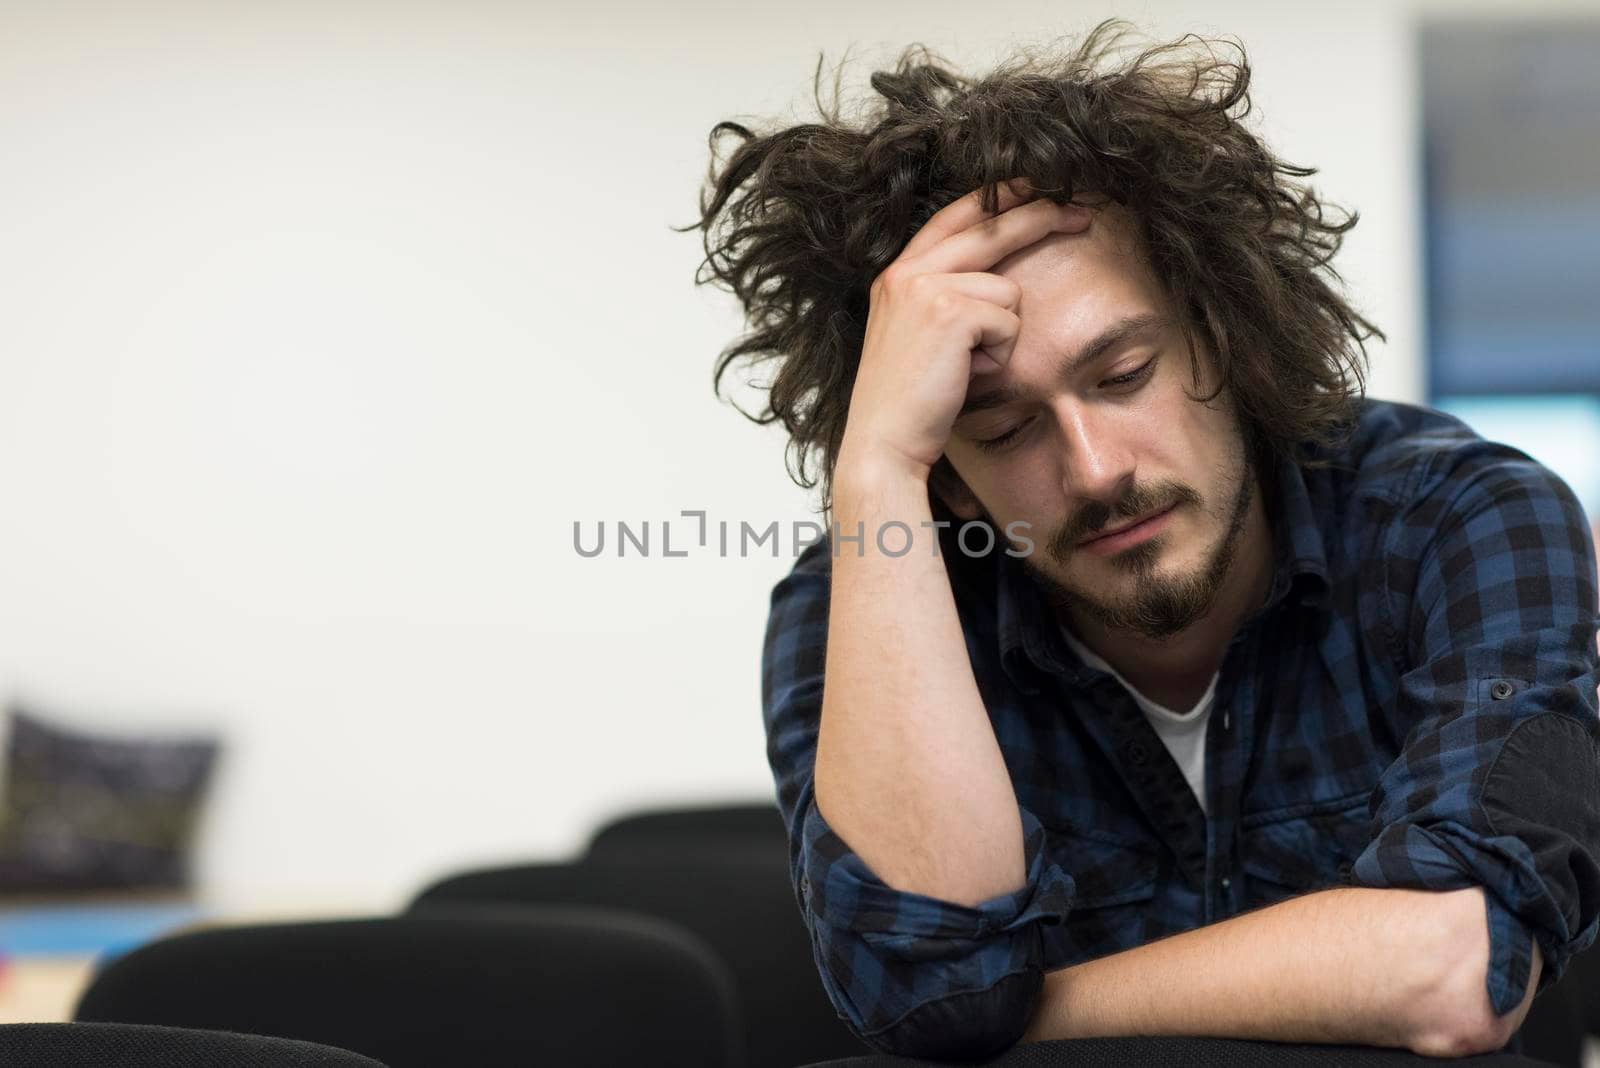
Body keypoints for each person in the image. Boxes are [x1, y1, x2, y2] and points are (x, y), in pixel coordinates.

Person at [687, 20, 1600, 1061]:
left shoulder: (1461, 518)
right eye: (1002, 428)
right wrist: (876, 468)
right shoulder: (864, 584)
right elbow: (924, 985)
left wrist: (1019, 1013)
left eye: (1122, 374)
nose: (1094, 468)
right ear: (950, 479)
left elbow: (1454, 967)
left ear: (1225, 332)